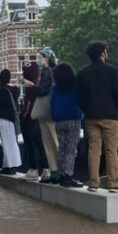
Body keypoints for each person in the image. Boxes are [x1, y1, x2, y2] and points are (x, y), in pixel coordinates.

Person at [77, 41, 118, 192]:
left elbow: (78, 97)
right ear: (102, 53)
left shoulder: (83, 73)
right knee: (111, 150)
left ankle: (93, 183)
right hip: (111, 116)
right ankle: (113, 183)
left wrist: (87, 109)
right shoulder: (113, 71)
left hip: (91, 116)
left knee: (94, 150)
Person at [50, 62, 84, 188]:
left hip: (59, 120)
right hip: (73, 118)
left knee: (62, 149)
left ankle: (61, 174)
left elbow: (52, 103)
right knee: (71, 149)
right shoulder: (75, 85)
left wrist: (54, 116)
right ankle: (68, 176)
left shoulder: (54, 88)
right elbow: (80, 99)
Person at [33, 48, 60, 182]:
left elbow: (42, 89)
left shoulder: (46, 71)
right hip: (54, 109)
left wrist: (32, 86)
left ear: (47, 58)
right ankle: (60, 171)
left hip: (45, 110)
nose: (40, 59)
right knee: (54, 140)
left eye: (41, 57)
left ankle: (55, 172)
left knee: (49, 142)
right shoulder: (56, 70)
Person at [18, 61, 46, 181]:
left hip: (29, 120)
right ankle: (46, 169)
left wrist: (22, 116)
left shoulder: (31, 87)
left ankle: (33, 169)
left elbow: (28, 104)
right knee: (41, 145)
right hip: (40, 120)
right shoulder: (39, 83)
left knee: (30, 145)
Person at [0, 69, 22, 176]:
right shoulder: (15, 90)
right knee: (12, 143)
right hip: (12, 119)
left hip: (3, 119)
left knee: (6, 144)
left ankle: (9, 167)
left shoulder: (2, 91)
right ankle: (10, 166)